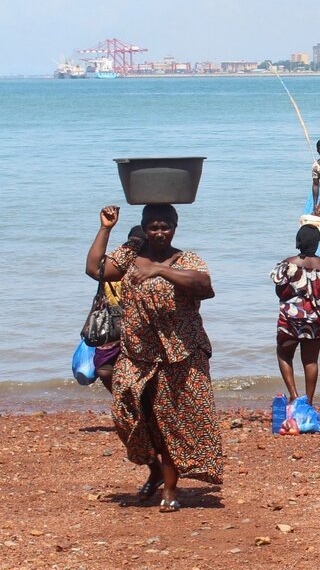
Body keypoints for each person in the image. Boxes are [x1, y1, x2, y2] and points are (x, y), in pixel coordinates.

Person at [86, 204, 222, 513]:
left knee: (170, 420)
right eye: (153, 227)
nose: (159, 233)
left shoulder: (187, 259)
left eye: (165, 227)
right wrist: (106, 228)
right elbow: (95, 269)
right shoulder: (130, 257)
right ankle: (156, 468)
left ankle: (171, 489)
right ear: (144, 229)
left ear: (175, 227)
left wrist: (161, 270)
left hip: (181, 354)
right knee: (129, 412)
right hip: (138, 354)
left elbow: (205, 287)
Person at [271, 225, 320, 407]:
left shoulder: (288, 264)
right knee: (311, 361)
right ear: (318, 243)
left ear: (298, 242)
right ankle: (308, 401)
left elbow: (280, 292)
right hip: (317, 319)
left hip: (291, 319)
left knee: (284, 354)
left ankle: (293, 395)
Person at [95, 225, 145, 392]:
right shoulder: (141, 267)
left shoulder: (113, 264)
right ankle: (125, 399)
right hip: (129, 326)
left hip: (112, 325)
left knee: (105, 367)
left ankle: (121, 398)